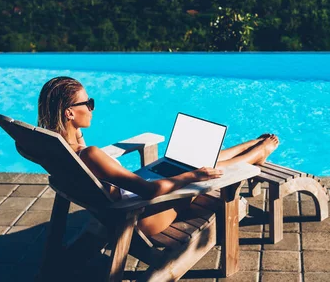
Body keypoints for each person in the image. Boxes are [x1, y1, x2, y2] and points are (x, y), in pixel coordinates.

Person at [38, 76, 280, 236]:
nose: (92, 107)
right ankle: (259, 151)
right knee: (206, 171)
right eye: (88, 103)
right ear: (70, 112)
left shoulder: (55, 149)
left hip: (121, 206)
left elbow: (78, 146)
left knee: (191, 162)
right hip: (143, 215)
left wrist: (75, 131)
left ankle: (249, 145)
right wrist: (192, 176)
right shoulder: (90, 155)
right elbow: (150, 192)